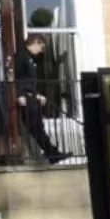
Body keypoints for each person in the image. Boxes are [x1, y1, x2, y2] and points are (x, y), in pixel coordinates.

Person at [15, 33, 66, 164]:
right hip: (26, 99)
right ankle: (52, 153)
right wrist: (19, 95)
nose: (41, 51)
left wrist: (37, 94)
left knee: (38, 127)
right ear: (35, 42)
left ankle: (52, 152)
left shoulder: (30, 58)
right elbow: (16, 77)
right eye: (41, 47)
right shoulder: (21, 56)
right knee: (35, 127)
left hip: (31, 97)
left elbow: (29, 81)